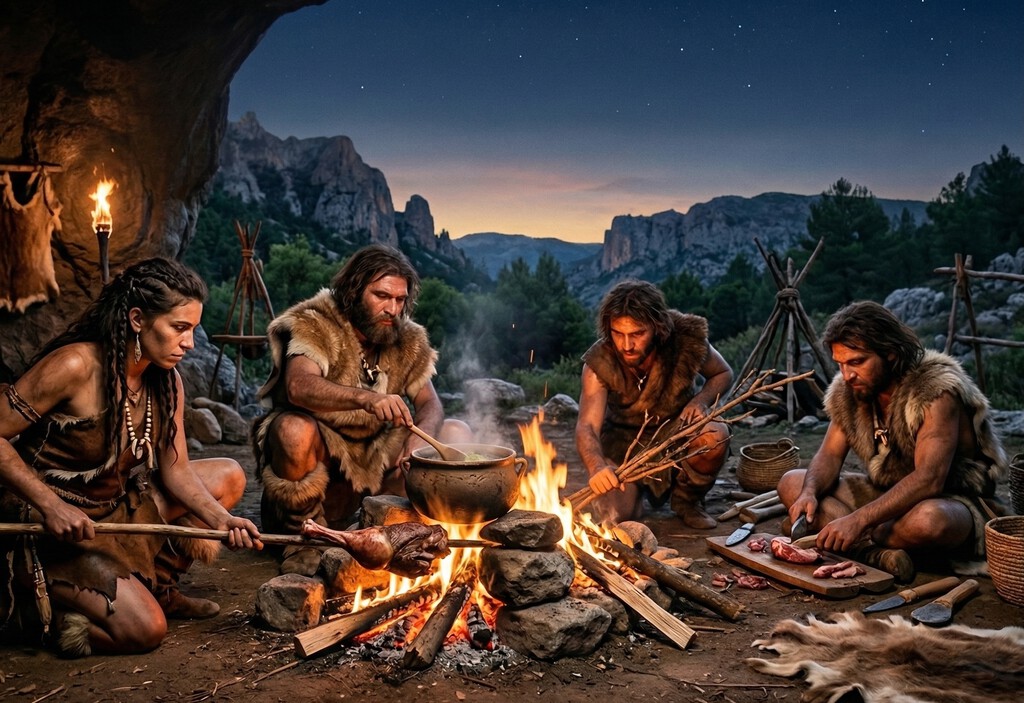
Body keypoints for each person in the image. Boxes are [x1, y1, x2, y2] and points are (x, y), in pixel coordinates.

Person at [0, 258, 262, 658]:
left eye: (193, 329)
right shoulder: (76, 365)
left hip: (117, 509)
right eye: (179, 328)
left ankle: (160, 588)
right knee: (146, 631)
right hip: (50, 528)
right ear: (138, 319)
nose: (189, 343)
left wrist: (223, 521)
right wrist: (51, 506)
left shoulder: (166, 379)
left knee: (227, 475)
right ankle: (44, 615)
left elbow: (176, 471)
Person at [253, 244, 470, 575]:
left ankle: (397, 531)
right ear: (353, 291)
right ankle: (305, 538)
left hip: (375, 470)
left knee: (455, 431)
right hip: (319, 468)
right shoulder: (315, 323)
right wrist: (367, 398)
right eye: (381, 296)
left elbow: (430, 403)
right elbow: (299, 386)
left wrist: (417, 446)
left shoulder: (407, 338)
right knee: (292, 428)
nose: (392, 308)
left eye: (399, 300)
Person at [778, 301, 1008, 582]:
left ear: (890, 353)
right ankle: (876, 554)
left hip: (950, 501)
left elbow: (929, 479)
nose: (847, 374)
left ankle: (854, 540)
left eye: (857, 362)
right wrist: (809, 492)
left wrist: (858, 519)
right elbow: (829, 456)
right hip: (885, 495)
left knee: (928, 521)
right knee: (792, 481)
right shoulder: (850, 389)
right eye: (840, 363)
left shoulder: (935, 390)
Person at [575, 279, 733, 528]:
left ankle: (687, 501)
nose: (626, 345)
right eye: (618, 334)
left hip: (678, 431)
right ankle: (635, 496)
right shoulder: (599, 363)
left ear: (657, 327)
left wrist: (700, 401)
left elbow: (723, 373)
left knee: (714, 434)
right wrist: (597, 467)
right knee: (617, 515)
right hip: (623, 444)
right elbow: (587, 426)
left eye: (637, 334)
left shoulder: (685, 340)